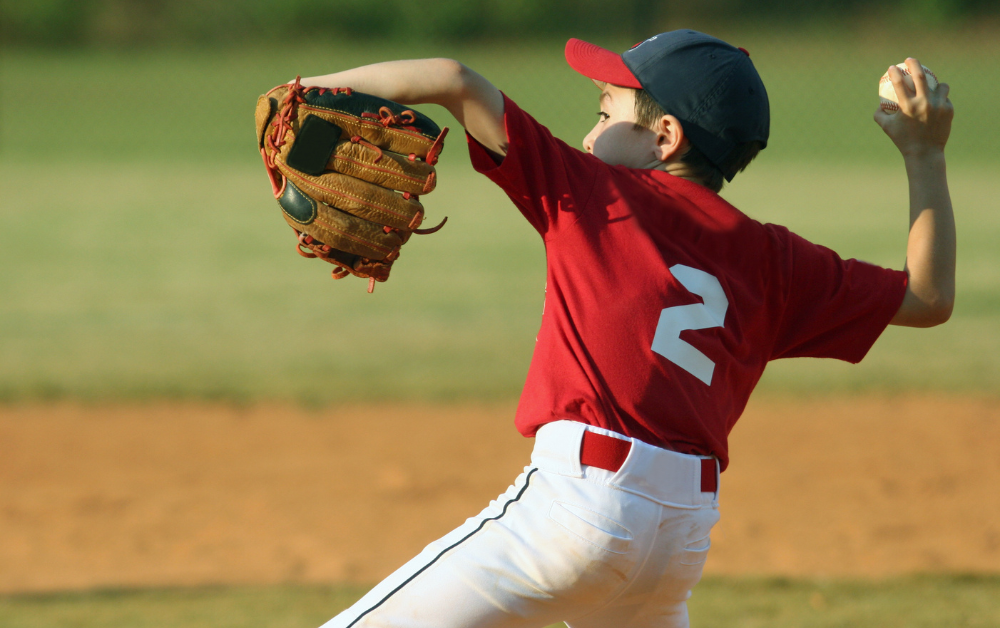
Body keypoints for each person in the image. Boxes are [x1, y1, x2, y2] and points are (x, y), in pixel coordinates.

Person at [303, 30, 955, 628]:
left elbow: (453, 79)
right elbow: (927, 297)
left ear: (664, 137)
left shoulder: (598, 194)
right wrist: (924, 152)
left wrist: (300, 94)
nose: (589, 138)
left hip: (574, 510)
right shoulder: (775, 261)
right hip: (679, 539)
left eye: (606, 113)